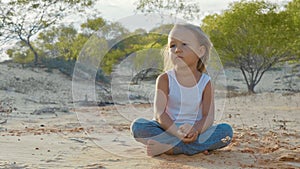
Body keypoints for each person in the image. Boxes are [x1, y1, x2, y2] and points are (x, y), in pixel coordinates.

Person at [130, 23, 233, 156]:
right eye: (172, 45)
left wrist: (195, 130)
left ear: (200, 51)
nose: (177, 50)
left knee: (225, 132)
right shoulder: (164, 79)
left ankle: (170, 148)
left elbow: (208, 116)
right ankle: (193, 148)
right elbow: (159, 114)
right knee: (138, 126)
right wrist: (177, 132)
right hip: (168, 129)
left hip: (195, 131)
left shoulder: (205, 82)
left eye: (184, 44)